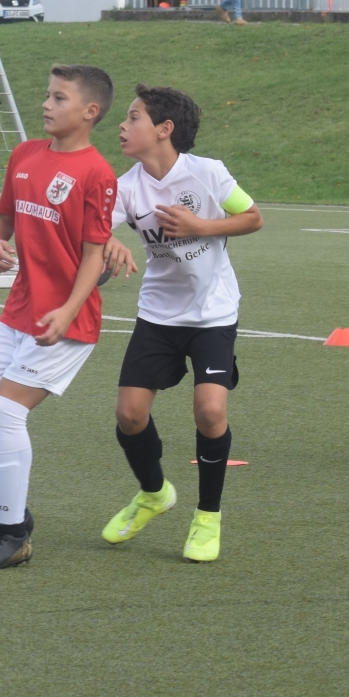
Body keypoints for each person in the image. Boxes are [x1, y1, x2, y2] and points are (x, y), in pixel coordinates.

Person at [0, 64, 116, 570]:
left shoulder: (97, 173)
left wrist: (68, 310)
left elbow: (95, 254)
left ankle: (9, 533)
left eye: (59, 98)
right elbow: (3, 219)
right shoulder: (24, 155)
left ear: (89, 112)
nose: (46, 104)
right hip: (19, 310)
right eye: (47, 95)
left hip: (67, 323)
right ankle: (12, 518)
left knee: (5, 411)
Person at [99, 86, 263, 564]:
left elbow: (252, 217)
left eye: (133, 118)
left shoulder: (208, 173)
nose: (122, 126)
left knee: (210, 412)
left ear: (164, 129)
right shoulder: (126, 187)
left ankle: (207, 517)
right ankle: (154, 493)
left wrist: (201, 226)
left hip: (213, 312)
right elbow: (94, 233)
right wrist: (108, 244)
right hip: (158, 313)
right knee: (129, 415)